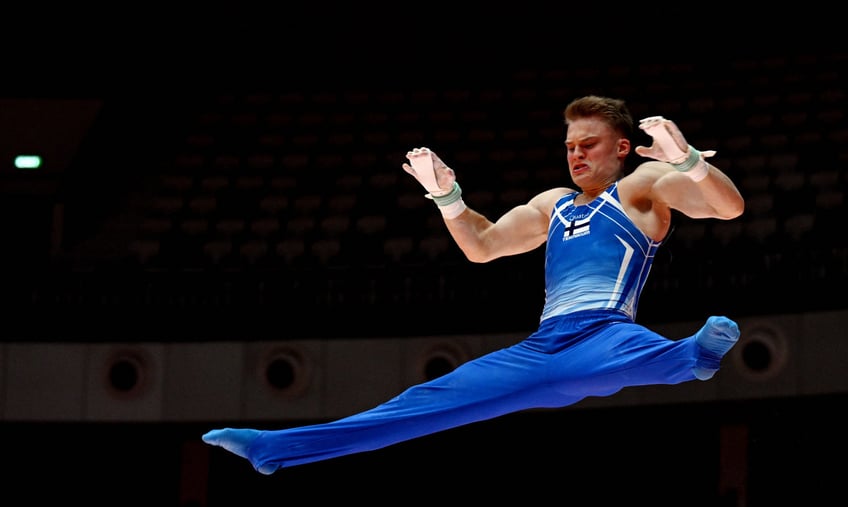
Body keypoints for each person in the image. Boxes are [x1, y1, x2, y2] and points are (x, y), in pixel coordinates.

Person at [203, 95, 745, 475]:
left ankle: (691, 356)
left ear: (623, 148)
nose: (576, 154)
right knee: (424, 402)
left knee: (625, 357)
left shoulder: (643, 186)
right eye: (569, 146)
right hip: (541, 350)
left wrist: (689, 162)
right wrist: (448, 199)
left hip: (604, 335)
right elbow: (482, 245)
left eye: (589, 144)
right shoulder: (552, 205)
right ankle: (274, 450)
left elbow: (728, 208)